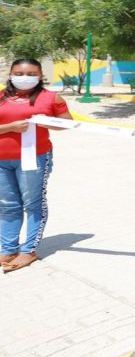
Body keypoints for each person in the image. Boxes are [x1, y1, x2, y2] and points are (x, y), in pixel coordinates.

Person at [0, 59, 74, 272]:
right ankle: (8, 248)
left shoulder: (51, 97)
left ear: (40, 75)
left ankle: (29, 250)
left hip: (34, 159)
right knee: (7, 205)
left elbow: (67, 123)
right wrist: (10, 127)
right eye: (19, 73)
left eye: (31, 73)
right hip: (2, 161)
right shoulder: (1, 97)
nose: (25, 77)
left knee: (33, 204)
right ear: (11, 74)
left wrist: (48, 122)